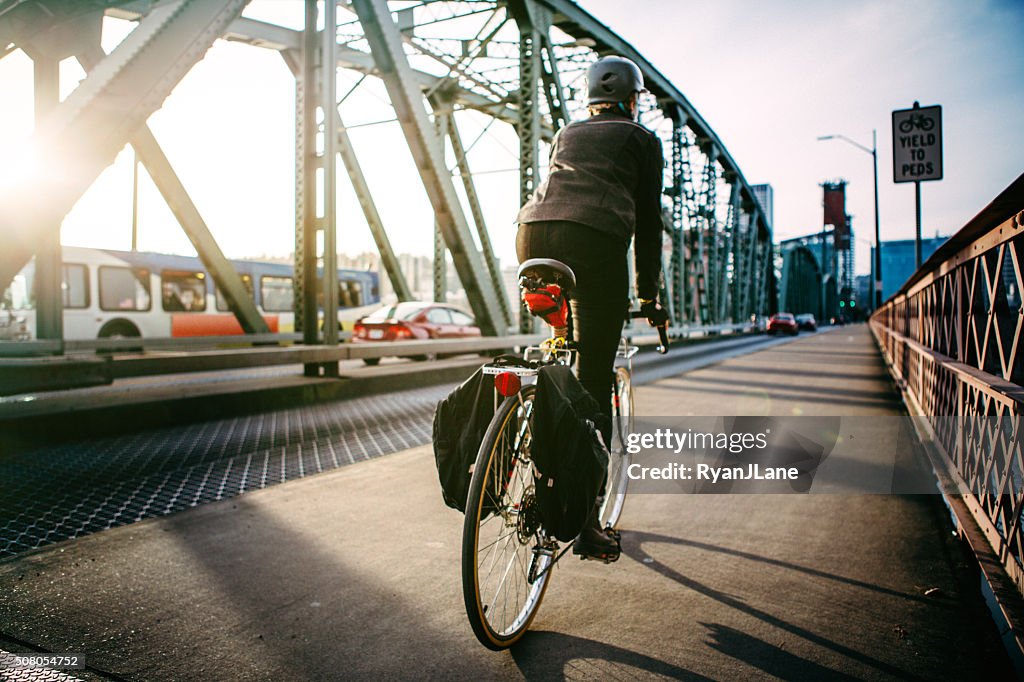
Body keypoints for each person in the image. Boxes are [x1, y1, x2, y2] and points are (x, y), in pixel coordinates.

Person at [515, 55, 668, 559]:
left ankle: (526, 429)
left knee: (562, 343)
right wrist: (649, 296)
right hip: (596, 244)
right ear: (633, 100)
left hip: (533, 233)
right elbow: (647, 225)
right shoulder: (643, 141)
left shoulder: (567, 133)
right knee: (595, 375)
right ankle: (587, 524)